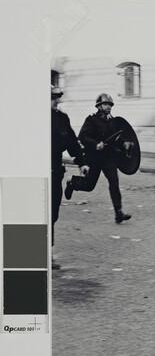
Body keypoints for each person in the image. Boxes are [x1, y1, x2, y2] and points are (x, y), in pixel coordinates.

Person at [65, 93, 132, 224]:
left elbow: (116, 137)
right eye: (106, 104)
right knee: (89, 185)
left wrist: (124, 143)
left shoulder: (112, 121)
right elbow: (82, 136)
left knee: (114, 182)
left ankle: (118, 212)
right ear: (99, 106)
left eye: (110, 105)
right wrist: (96, 145)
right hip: (93, 158)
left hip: (109, 158)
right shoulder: (91, 120)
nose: (109, 107)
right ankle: (72, 182)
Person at [51, 86, 84, 269]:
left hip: (55, 172)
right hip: (36, 172)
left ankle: (47, 249)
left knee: (53, 212)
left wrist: (82, 161)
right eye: (52, 98)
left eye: (58, 98)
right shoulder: (32, 118)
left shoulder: (62, 119)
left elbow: (72, 141)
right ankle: (41, 253)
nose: (57, 101)